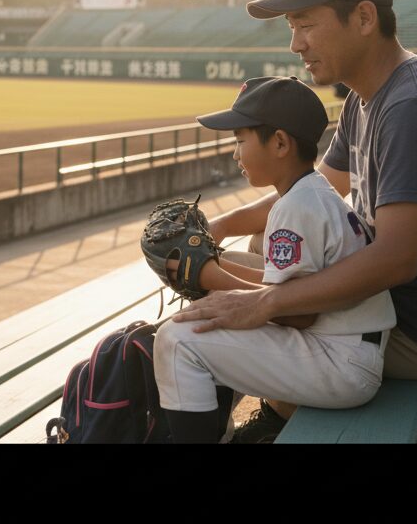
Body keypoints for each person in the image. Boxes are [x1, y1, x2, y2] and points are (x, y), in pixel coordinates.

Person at [174, 0, 417, 440]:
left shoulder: (412, 107)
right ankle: (275, 407)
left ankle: (273, 417)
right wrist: (215, 227)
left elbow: (397, 260)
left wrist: (263, 304)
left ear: (365, 17)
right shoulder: (369, 95)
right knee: (239, 255)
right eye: (292, 28)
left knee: (212, 308)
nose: (296, 44)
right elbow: (309, 189)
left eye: (306, 24)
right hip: (399, 305)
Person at [154, 76, 396, 443]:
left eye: (240, 140)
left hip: (339, 363)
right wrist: (215, 269)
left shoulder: (296, 207)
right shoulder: (312, 192)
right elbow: (286, 293)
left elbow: (297, 314)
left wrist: (212, 275)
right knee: (205, 319)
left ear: (280, 143)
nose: (235, 154)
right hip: (348, 348)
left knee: (177, 341)